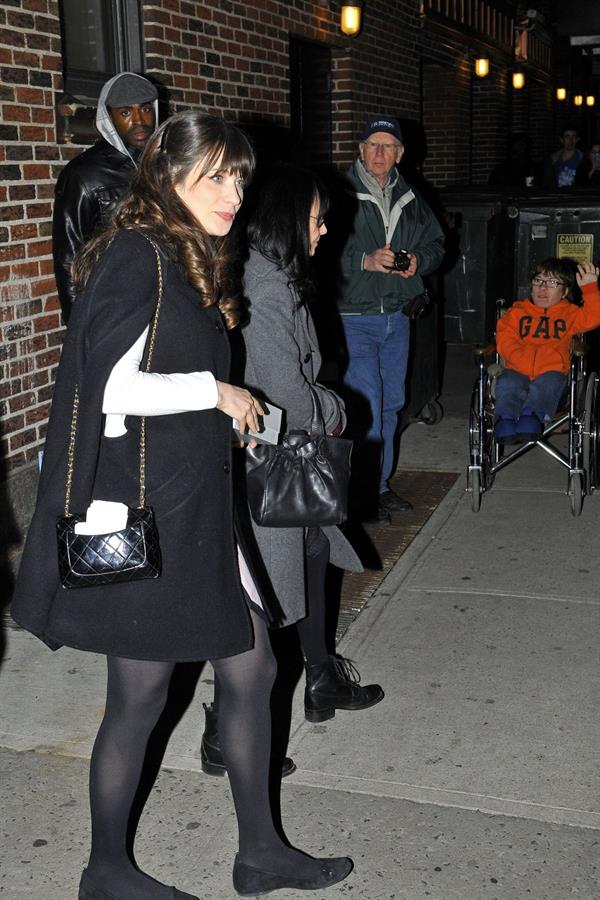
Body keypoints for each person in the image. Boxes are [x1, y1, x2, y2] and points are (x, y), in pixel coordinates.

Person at [11, 111, 353, 899]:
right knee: (138, 698)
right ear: (169, 177)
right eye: (215, 176)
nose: (233, 191)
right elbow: (110, 388)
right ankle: (105, 870)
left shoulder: (186, 253)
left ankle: (260, 853)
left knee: (255, 663)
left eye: (239, 176)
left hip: (194, 506)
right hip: (152, 514)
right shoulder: (139, 254)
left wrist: (226, 420)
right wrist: (217, 391)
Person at [199, 165, 384, 774]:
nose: (325, 229)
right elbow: (291, 396)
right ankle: (225, 732)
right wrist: (336, 405)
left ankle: (322, 678)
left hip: (282, 456)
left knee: (310, 559)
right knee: (262, 596)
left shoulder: (275, 274)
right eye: (315, 217)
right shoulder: (264, 282)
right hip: (267, 457)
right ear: (286, 220)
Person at [338, 115, 445, 523]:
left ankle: (378, 486)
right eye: (372, 145)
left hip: (398, 317)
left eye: (388, 146)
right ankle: (361, 491)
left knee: (392, 404)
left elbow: (438, 244)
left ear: (400, 154)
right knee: (367, 405)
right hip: (354, 316)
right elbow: (315, 249)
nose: (379, 153)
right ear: (360, 150)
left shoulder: (410, 197)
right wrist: (363, 260)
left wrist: (419, 261)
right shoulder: (340, 193)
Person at [52, 72, 158, 323]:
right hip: (114, 310)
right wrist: (79, 327)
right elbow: (69, 259)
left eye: (145, 109)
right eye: (125, 113)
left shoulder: (166, 166)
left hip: (165, 303)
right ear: (108, 117)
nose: (139, 120)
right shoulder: (83, 175)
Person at [494, 257, 600, 443]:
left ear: (565, 291)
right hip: (517, 369)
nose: (543, 288)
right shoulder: (516, 312)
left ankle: (532, 416)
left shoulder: (570, 314)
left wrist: (590, 289)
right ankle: (506, 418)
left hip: (552, 373)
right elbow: (504, 339)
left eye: (552, 283)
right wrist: (520, 358)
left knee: (549, 382)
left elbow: (593, 317)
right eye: (538, 281)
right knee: (507, 382)